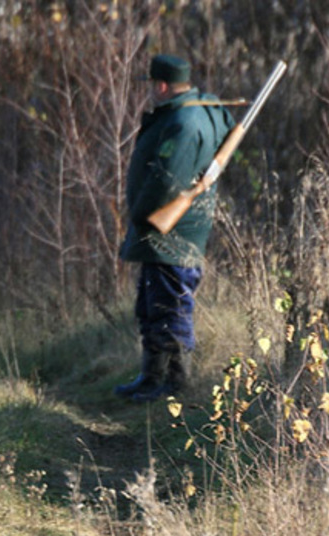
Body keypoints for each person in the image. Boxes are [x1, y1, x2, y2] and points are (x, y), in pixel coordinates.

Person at [114, 54, 235, 403]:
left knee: (171, 310)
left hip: (171, 234)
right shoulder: (196, 112)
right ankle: (151, 378)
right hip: (167, 234)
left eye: (153, 85)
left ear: (162, 85)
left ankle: (175, 386)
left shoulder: (184, 121)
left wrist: (140, 214)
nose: (151, 91)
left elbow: (167, 181)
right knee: (152, 307)